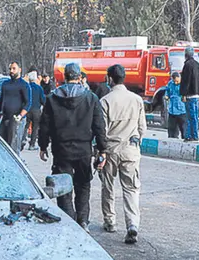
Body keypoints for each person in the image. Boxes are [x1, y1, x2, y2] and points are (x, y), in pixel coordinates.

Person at [38, 63, 108, 230]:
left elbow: (45, 126)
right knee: (83, 185)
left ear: (65, 77)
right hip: (83, 150)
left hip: (61, 150)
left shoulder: (52, 98)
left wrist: (43, 146)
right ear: (80, 77)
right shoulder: (91, 98)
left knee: (63, 187)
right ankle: (83, 220)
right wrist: (102, 149)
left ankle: (69, 221)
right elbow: (99, 126)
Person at [99, 65, 147, 244]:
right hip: (130, 150)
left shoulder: (105, 101)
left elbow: (101, 130)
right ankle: (132, 224)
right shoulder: (136, 100)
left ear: (110, 79)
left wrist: (100, 152)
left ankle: (110, 221)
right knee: (131, 188)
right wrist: (136, 143)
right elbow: (142, 128)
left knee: (108, 186)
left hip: (111, 149)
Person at [0, 61, 31, 152]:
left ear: (19, 70)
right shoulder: (5, 84)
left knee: (13, 146)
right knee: (2, 145)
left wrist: (20, 116)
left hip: (17, 120)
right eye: (10, 69)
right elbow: (1, 101)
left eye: (14, 68)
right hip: (5, 117)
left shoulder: (24, 85)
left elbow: (28, 103)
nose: (11, 71)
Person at [180, 46, 199, 141]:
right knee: (195, 116)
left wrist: (183, 94)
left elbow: (186, 81)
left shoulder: (187, 65)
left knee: (190, 116)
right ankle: (195, 134)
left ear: (185, 55)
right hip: (197, 94)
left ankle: (190, 135)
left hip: (190, 94)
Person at [26, 71, 46, 150]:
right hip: (36, 111)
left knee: (25, 126)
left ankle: (22, 140)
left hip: (26, 110)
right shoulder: (39, 88)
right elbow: (43, 100)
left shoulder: (26, 87)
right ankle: (32, 144)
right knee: (35, 127)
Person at [166, 72, 187, 138]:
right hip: (172, 109)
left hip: (181, 109)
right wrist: (166, 96)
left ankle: (185, 137)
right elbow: (167, 91)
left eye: (177, 81)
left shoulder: (184, 84)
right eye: (174, 81)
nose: (175, 83)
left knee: (183, 127)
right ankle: (172, 137)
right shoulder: (170, 83)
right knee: (171, 127)